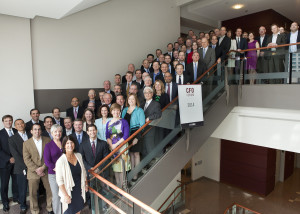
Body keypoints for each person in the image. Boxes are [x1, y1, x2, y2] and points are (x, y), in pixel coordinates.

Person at [23, 124, 53, 214]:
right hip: (33, 172)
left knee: (50, 190)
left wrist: (43, 167)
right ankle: (35, 210)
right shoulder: (26, 143)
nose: (37, 131)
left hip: (46, 169)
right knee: (32, 193)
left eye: (39, 129)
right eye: (35, 129)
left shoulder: (48, 140)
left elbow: (50, 156)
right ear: (31, 131)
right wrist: (37, 169)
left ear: (41, 131)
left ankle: (50, 207)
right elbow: (26, 159)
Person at [79, 124, 109, 210]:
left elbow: (106, 157)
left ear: (96, 131)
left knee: (103, 189)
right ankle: (91, 207)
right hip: (88, 172)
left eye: (94, 130)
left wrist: (98, 168)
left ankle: (103, 206)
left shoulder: (103, 143)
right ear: (87, 132)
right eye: (90, 130)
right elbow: (82, 159)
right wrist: (90, 168)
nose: (92, 132)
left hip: (101, 171)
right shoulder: (83, 145)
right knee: (90, 191)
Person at [56, 135, 88, 214]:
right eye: (67, 143)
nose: (70, 145)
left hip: (79, 189)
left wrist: (86, 184)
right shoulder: (60, 161)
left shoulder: (79, 156)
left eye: (71, 143)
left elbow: (83, 171)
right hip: (69, 191)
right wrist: (66, 195)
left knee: (78, 210)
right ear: (64, 145)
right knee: (69, 211)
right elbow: (60, 181)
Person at [8, 119, 31, 214]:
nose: (20, 125)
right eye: (18, 124)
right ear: (15, 127)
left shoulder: (31, 135)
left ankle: (35, 204)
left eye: (22, 123)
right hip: (21, 168)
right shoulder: (12, 139)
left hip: (34, 167)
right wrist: (28, 165)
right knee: (22, 188)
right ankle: (23, 206)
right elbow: (16, 155)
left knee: (35, 188)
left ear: (24, 124)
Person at [106, 103, 131, 189]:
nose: (116, 112)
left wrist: (116, 145)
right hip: (113, 148)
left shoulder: (124, 121)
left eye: (117, 110)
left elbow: (126, 135)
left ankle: (123, 187)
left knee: (122, 168)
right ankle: (118, 187)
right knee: (116, 168)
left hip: (122, 146)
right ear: (111, 111)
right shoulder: (108, 123)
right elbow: (107, 136)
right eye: (114, 110)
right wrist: (112, 145)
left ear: (120, 111)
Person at [122, 94, 145, 182]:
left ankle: (136, 174)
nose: (131, 100)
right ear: (127, 100)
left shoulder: (139, 110)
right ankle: (132, 173)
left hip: (136, 134)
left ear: (136, 100)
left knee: (136, 154)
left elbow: (142, 126)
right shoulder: (124, 110)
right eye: (129, 99)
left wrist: (137, 138)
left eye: (133, 99)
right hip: (127, 135)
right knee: (130, 154)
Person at [0, 115, 18, 212]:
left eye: (10, 120)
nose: (8, 122)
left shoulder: (16, 131)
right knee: (4, 184)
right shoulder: (0, 133)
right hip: (4, 163)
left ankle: (16, 197)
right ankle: (5, 202)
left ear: (12, 121)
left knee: (16, 181)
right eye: (6, 121)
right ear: (3, 122)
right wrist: (9, 158)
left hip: (16, 162)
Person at [44, 124, 63, 214]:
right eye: (55, 131)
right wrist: (56, 169)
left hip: (65, 173)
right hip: (53, 174)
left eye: (59, 131)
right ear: (51, 133)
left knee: (66, 193)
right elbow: (47, 161)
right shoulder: (48, 145)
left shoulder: (65, 142)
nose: (57, 133)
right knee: (56, 195)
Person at [140, 87, 162, 156]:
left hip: (151, 128)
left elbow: (159, 114)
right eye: (145, 93)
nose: (147, 94)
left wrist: (149, 118)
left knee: (149, 145)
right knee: (143, 146)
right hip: (142, 128)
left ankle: (151, 161)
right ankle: (146, 163)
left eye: (149, 92)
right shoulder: (142, 104)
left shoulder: (156, 104)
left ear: (152, 94)